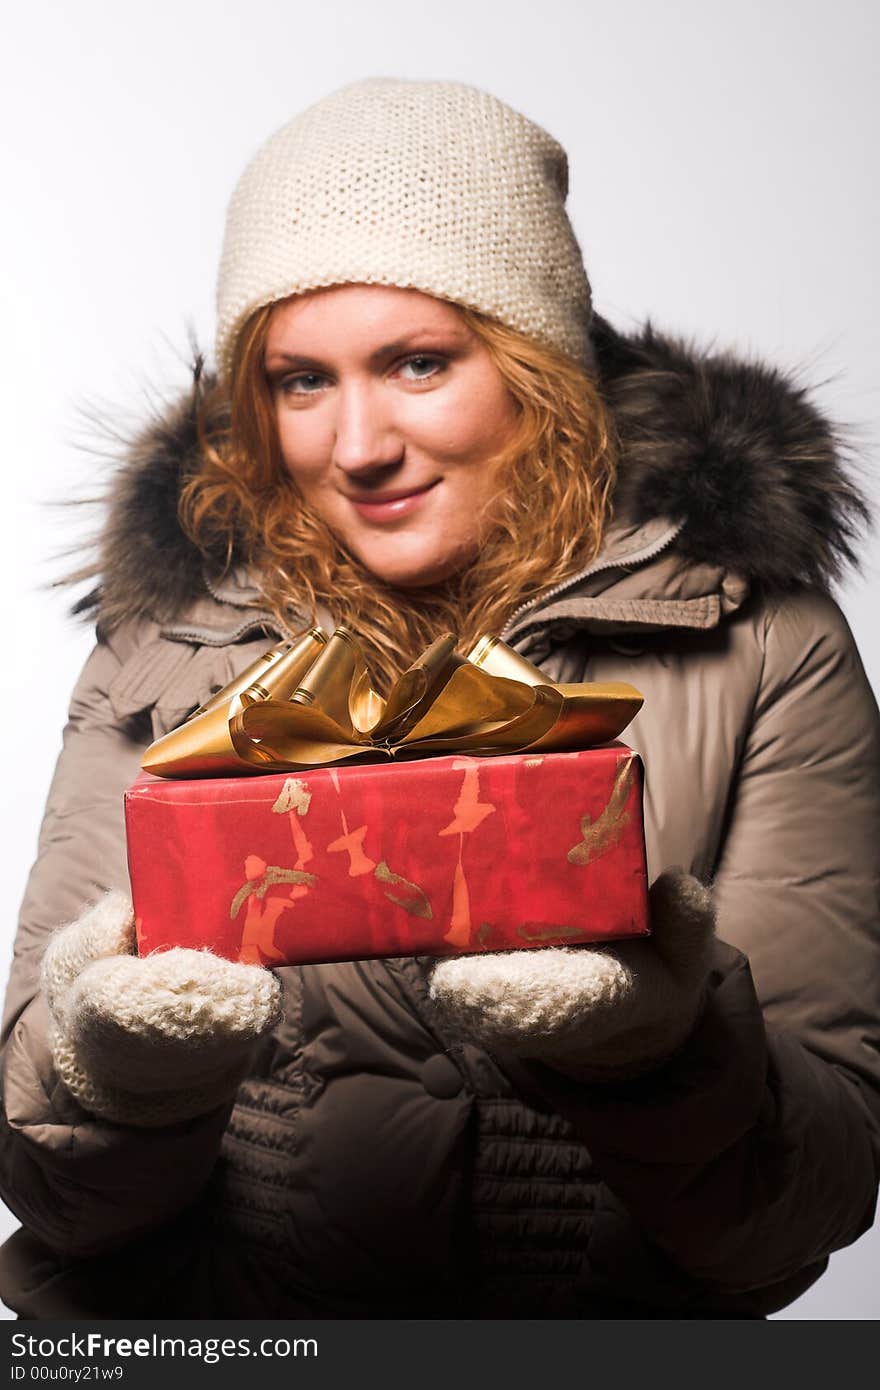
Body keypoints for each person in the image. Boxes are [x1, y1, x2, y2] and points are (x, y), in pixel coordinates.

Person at [0, 76, 878, 1320]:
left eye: (418, 363)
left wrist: (655, 1049)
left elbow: (803, 1201)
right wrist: (118, 1065)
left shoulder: (759, 639)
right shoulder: (164, 647)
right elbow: (57, 1191)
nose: (356, 443)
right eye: (301, 381)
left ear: (541, 366)